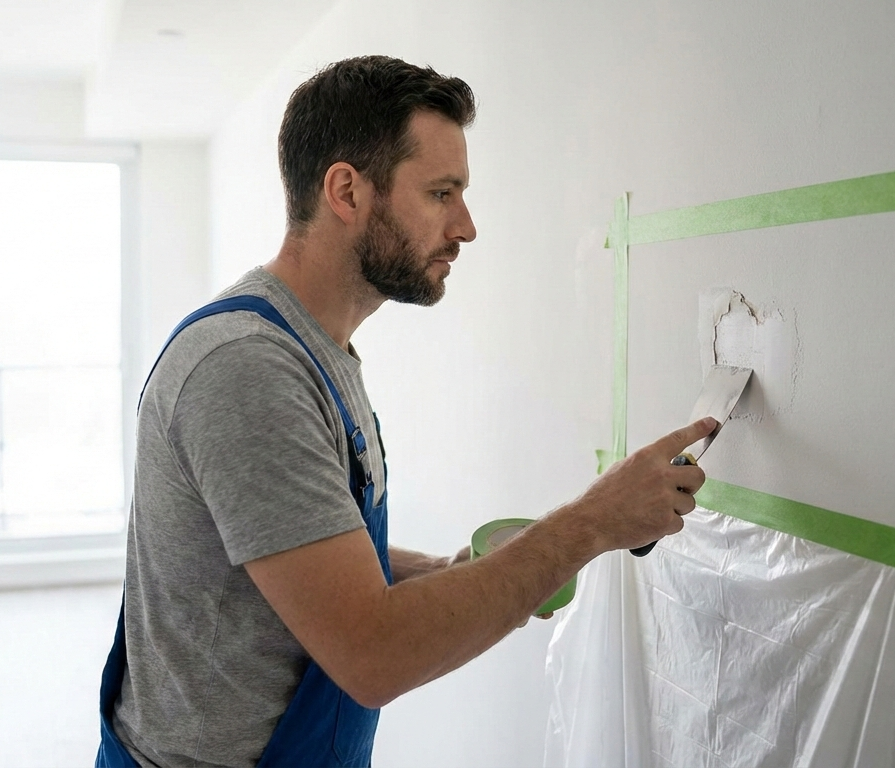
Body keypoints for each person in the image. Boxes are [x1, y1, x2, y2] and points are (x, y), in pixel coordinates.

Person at [95, 55, 714, 768]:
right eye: (441, 193)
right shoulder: (246, 369)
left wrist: (439, 572)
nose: (467, 226)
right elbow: (373, 653)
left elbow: (292, 552)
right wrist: (591, 523)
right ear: (347, 191)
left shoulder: (320, 352)